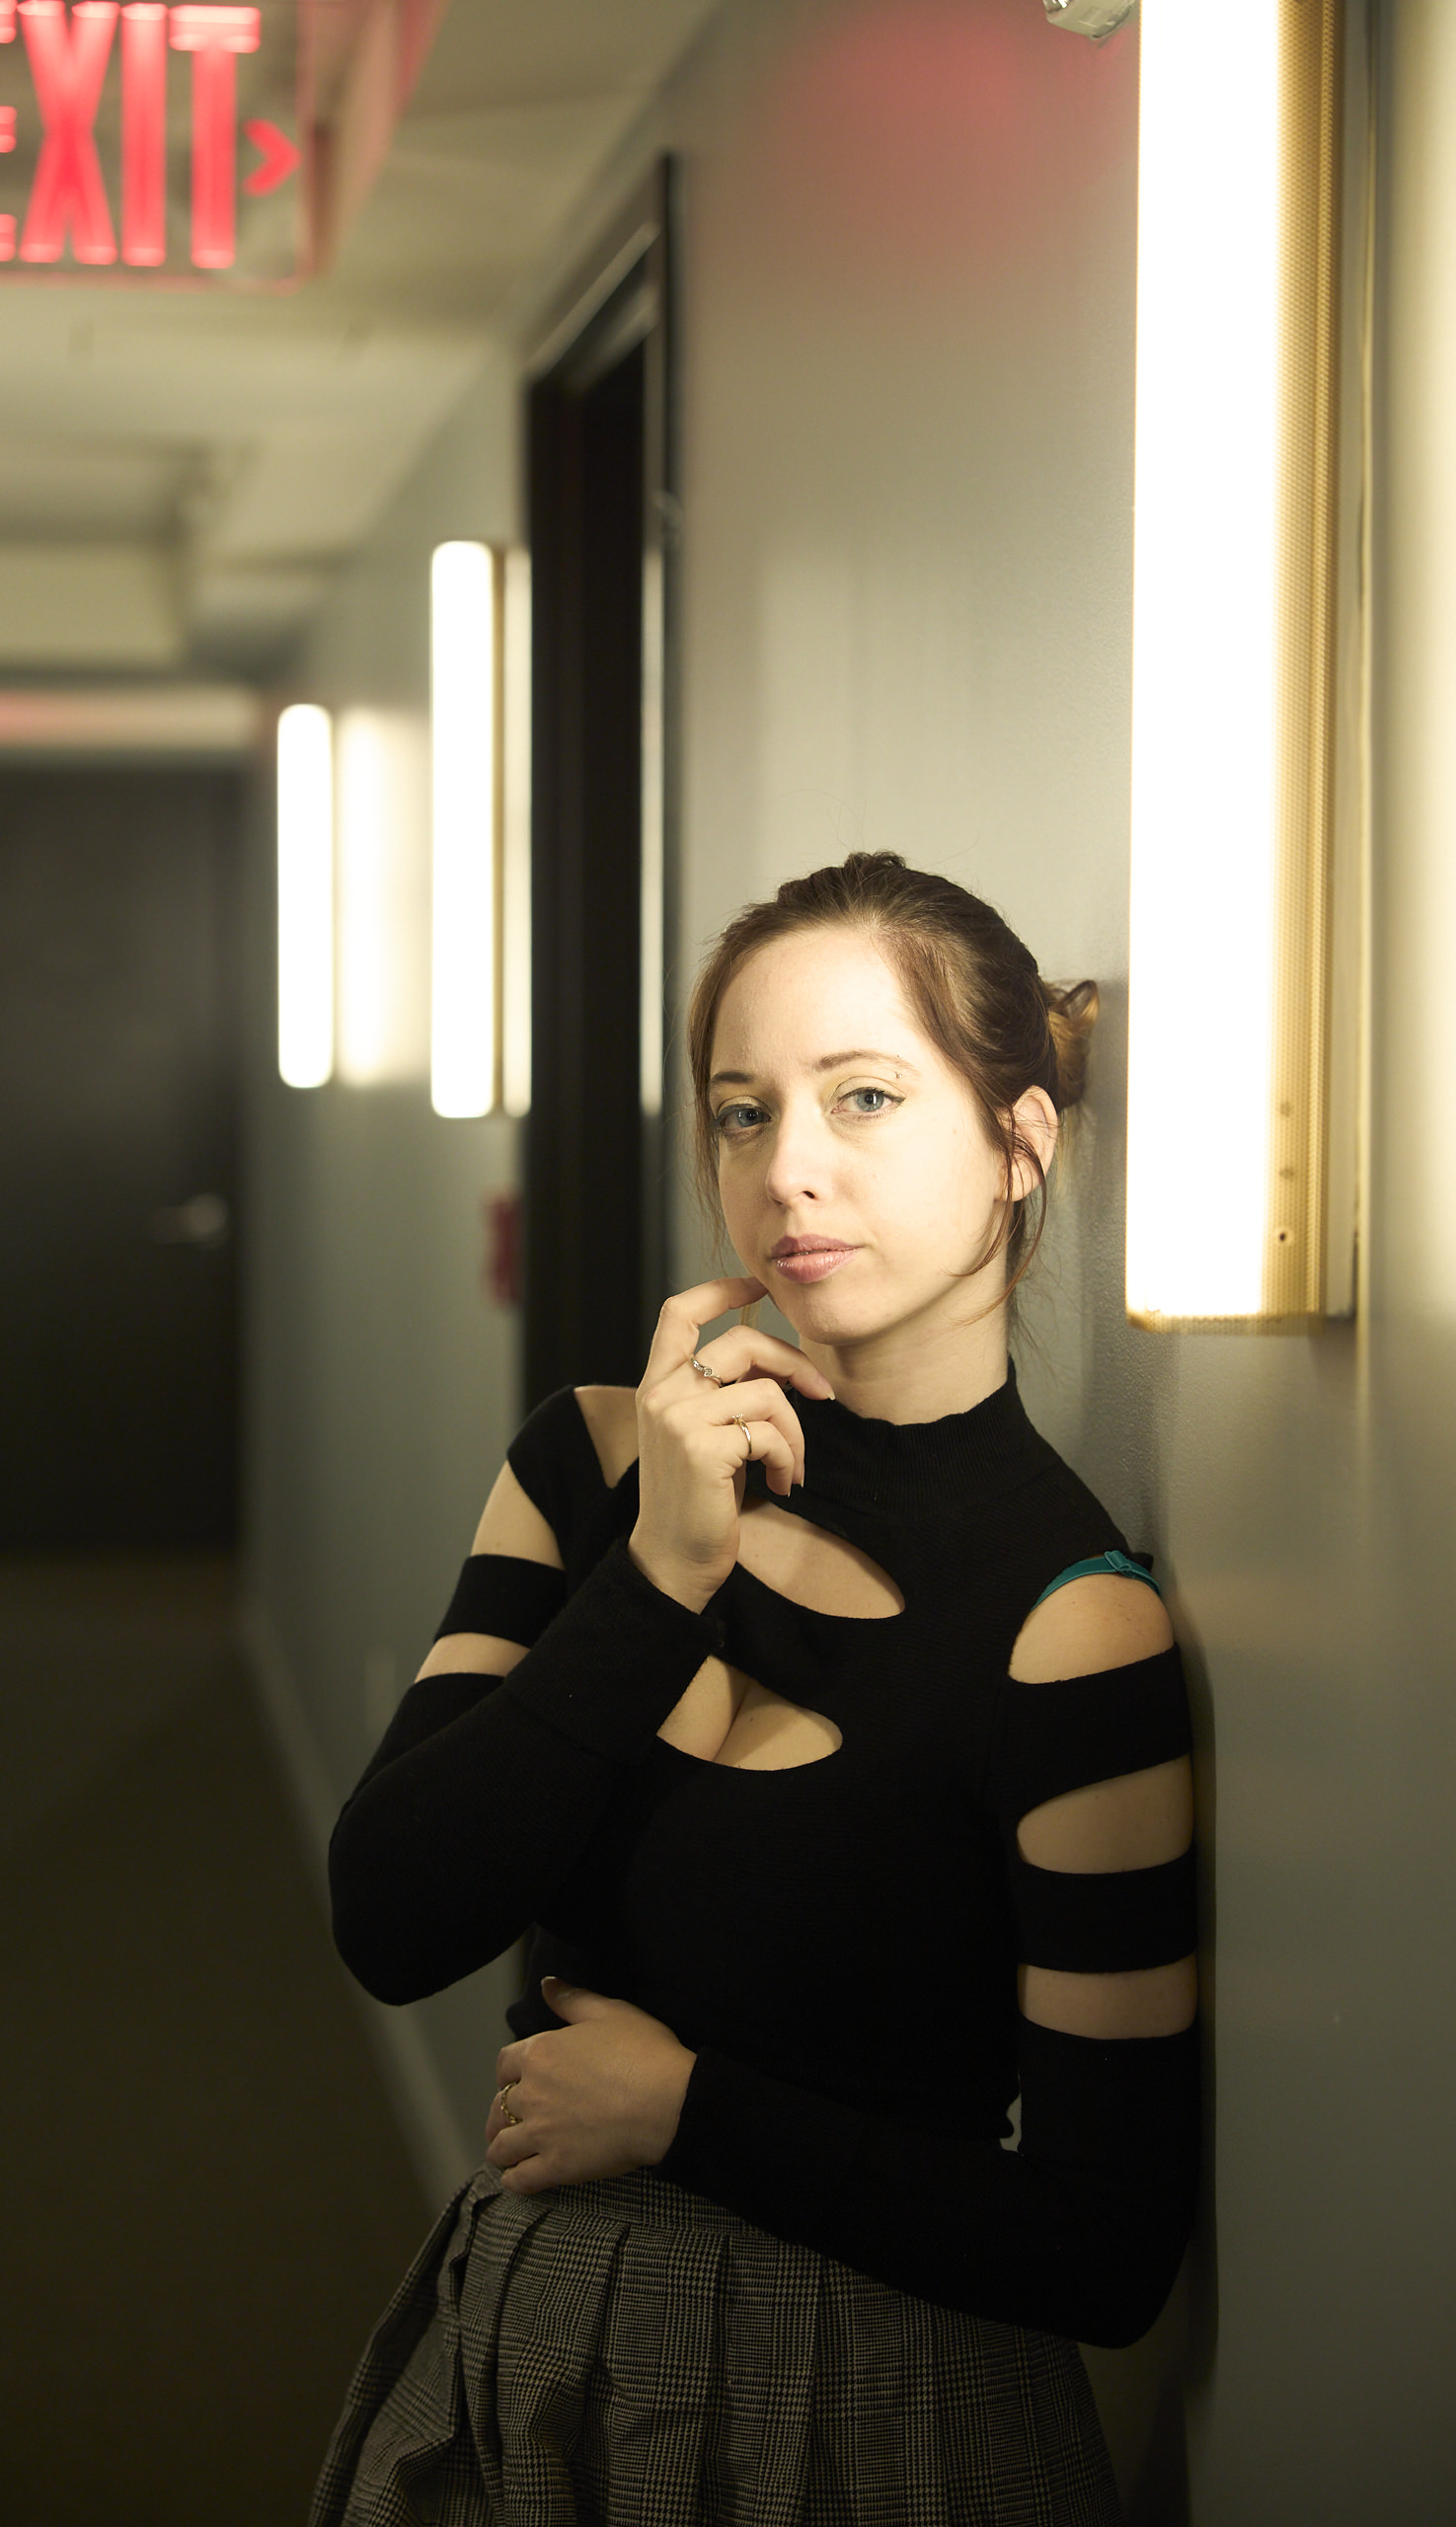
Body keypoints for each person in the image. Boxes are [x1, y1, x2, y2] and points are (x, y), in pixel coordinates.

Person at [310, 852, 1198, 2525]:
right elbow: (392, 1917)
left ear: (1022, 1143)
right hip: (531, 2358)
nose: (791, 1170)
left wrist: (688, 2111)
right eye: (741, 1112)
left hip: (876, 2418)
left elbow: (1107, 2244)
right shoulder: (589, 1465)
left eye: (863, 1098)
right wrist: (659, 1579)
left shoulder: (1069, 1624)